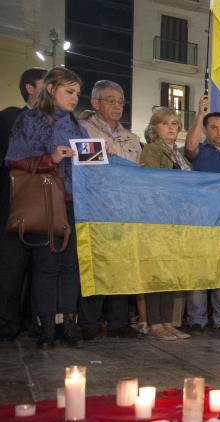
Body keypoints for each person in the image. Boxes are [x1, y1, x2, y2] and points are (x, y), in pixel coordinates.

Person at [5, 67, 89, 349]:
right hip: (44, 201)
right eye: (69, 91)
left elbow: (90, 165)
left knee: (70, 266)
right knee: (46, 266)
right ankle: (46, 329)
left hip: (75, 202)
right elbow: (13, 159)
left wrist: (103, 154)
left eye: (77, 93)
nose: (75, 97)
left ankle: (69, 324)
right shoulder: (29, 120)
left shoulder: (78, 127)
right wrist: (49, 159)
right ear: (51, 89)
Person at [78, 80, 143, 341]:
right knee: (96, 265)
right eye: (111, 100)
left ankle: (119, 322)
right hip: (95, 207)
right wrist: (104, 154)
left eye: (121, 102)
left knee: (122, 266)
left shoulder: (131, 138)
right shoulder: (83, 129)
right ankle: (89, 322)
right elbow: (80, 161)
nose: (117, 106)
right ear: (95, 103)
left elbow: (138, 173)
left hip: (124, 209)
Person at [183, 95, 220, 333]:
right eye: (214, 127)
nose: (219, 131)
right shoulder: (200, 151)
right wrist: (200, 114)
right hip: (199, 221)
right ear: (206, 130)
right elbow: (189, 147)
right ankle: (197, 319)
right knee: (198, 269)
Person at [0, 67, 47, 341]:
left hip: (46, 205)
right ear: (30, 88)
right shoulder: (9, 118)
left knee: (39, 267)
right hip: (13, 204)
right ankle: (7, 323)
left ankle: (33, 322)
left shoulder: (58, 123)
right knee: (11, 267)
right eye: (46, 84)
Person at [139, 107, 192, 341]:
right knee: (156, 271)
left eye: (174, 123)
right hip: (157, 217)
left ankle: (168, 321)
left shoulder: (179, 154)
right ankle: (155, 323)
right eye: (165, 123)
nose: (171, 127)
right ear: (155, 128)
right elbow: (152, 180)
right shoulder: (152, 149)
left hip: (176, 219)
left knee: (170, 271)